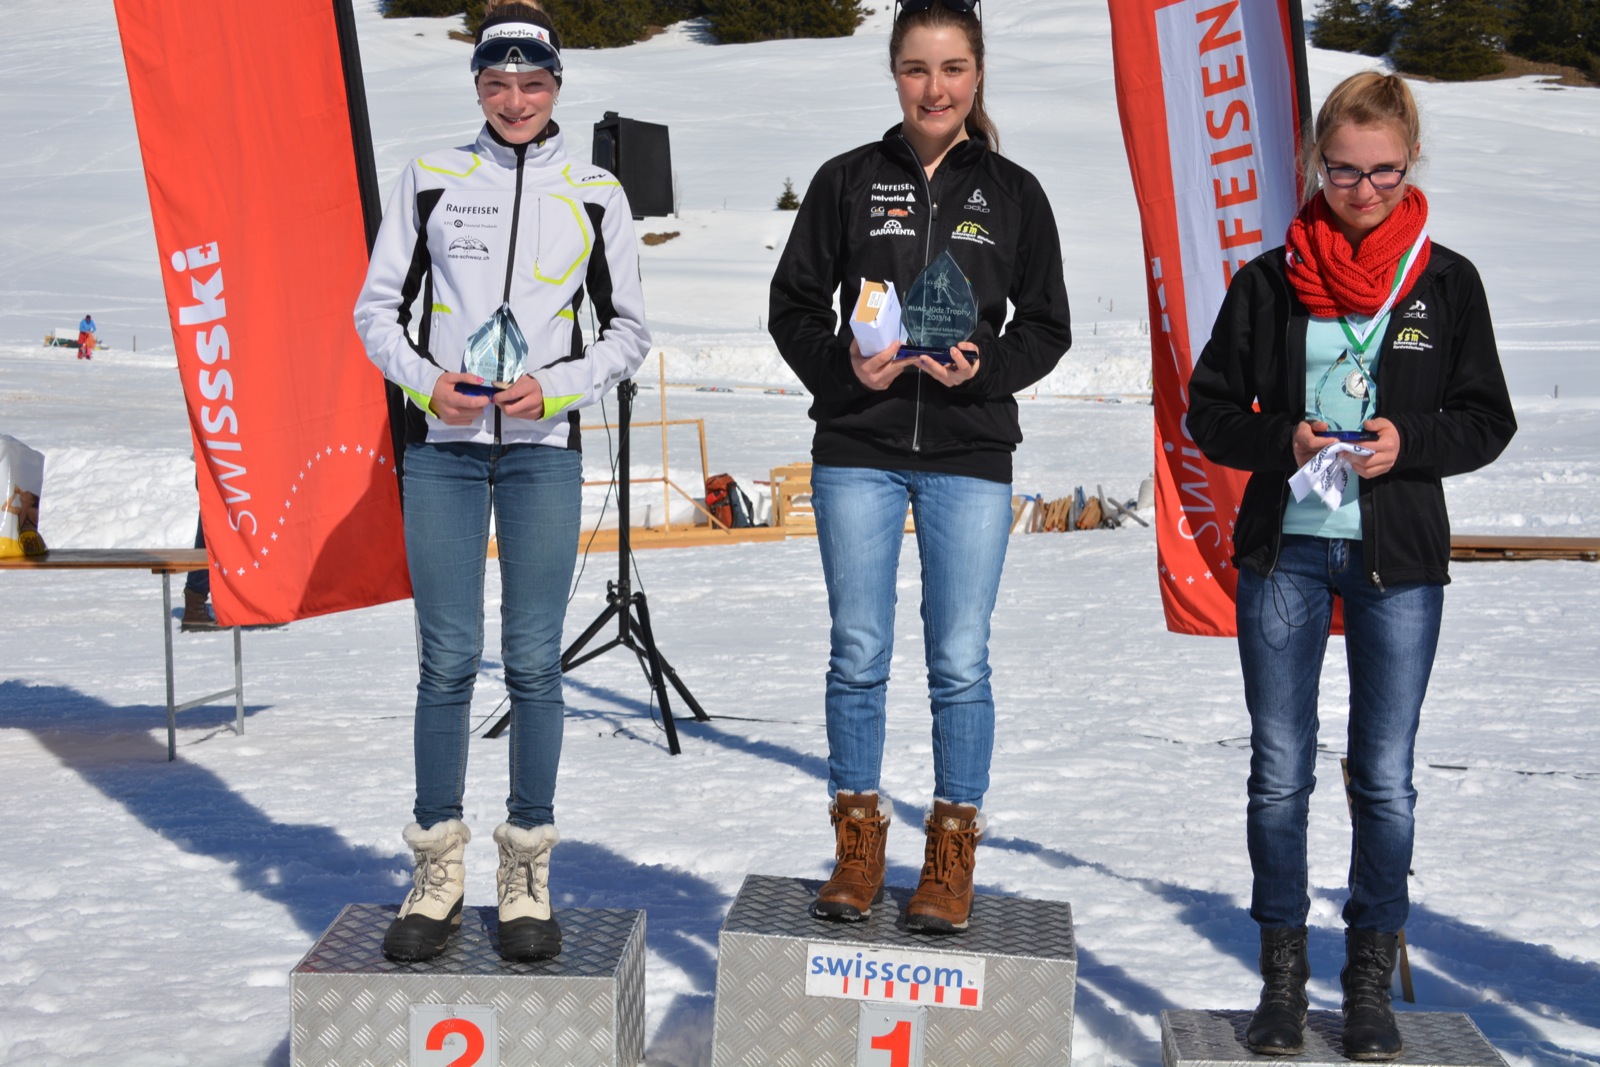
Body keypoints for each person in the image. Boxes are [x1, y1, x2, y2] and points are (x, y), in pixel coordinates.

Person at [1188, 72, 1516, 1060]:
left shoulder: (1443, 281)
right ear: (1312, 163)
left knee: (1383, 778)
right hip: (1285, 552)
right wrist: (1279, 436)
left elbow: (1486, 418)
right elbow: (1209, 412)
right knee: (1279, 772)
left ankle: (1367, 982)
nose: (1362, 190)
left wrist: (1407, 440)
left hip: (1397, 557)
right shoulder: (1267, 280)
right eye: (1342, 170)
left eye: (1382, 171)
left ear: (1410, 162)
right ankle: (1282, 982)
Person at [354, 0, 649, 963]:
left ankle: (526, 871)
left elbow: (628, 331)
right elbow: (375, 312)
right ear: (476, 86)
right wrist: (425, 381)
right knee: (446, 661)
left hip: (540, 448)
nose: (515, 101)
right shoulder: (431, 178)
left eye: (532, 83)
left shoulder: (596, 191)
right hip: (442, 448)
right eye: (496, 83)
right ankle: (436, 869)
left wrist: (555, 387)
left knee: (532, 662)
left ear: (557, 84)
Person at [769, 0, 1071, 934]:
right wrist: (843, 369)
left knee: (959, 658)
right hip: (858, 447)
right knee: (858, 651)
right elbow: (793, 307)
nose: (934, 89)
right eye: (915, 68)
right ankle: (857, 845)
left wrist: (988, 369)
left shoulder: (1014, 193)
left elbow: (1048, 325)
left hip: (969, 451)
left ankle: (951, 852)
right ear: (894, 74)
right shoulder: (848, 181)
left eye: (951, 69)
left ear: (976, 75)